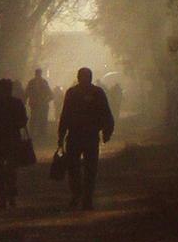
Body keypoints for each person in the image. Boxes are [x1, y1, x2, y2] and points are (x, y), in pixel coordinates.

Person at [57, 66, 115, 212]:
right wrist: (61, 135)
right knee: (79, 168)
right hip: (82, 136)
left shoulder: (89, 93)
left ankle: (84, 197)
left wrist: (107, 131)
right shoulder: (90, 93)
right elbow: (65, 115)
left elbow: (105, 113)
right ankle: (81, 196)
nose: (83, 79)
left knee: (84, 168)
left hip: (83, 136)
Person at [0, 78, 29, 211]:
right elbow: (23, 121)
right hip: (12, 140)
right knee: (11, 169)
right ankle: (11, 194)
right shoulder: (17, 103)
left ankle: (0, 196)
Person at [25, 66, 54, 144]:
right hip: (36, 104)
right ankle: (35, 135)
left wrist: (45, 101)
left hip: (41, 105)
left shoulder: (38, 82)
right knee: (35, 119)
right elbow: (27, 92)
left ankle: (40, 135)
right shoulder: (36, 82)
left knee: (41, 119)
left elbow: (51, 94)